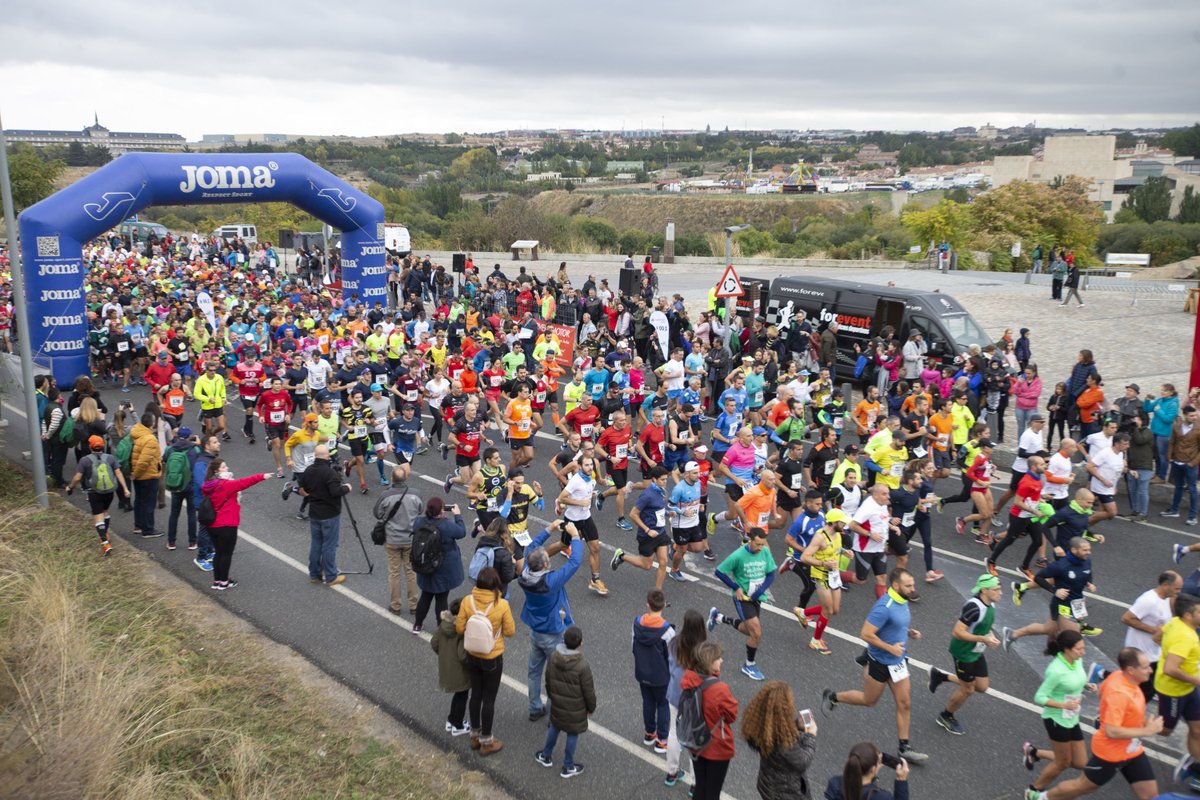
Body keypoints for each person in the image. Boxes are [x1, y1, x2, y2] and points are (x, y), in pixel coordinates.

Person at [821, 568, 929, 764]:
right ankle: (833, 697)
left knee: (904, 703)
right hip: (879, 662)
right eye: (909, 585)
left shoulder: (902, 600)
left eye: (913, 584)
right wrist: (890, 648)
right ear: (896, 585)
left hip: (898, 662)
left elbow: (895, 625)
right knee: (869, 700)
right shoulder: (884, 606)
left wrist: (908, 632)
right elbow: (865, 634)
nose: (913, 589)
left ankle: (904, 747)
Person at [1027, 648, 1161, 800]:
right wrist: (1147, 731)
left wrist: (1132, 720)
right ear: (1130, 670)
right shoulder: (1120, 693)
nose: (1150, 670)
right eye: (1145, 667)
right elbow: (1111, 731)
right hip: (1111, 754)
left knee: (1150, 796)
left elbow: (1101, 692)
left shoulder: (1118, 676)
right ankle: (1039, 797)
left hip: (1133, 750)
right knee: (1082, 786)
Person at [519, 520, 583, 722]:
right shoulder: (551, 582)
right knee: (557, 676)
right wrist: (575, 536)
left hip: (535, 631)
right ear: (545, 565)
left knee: (534, 671)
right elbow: (575, 562)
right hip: (554, 632)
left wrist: (549, 529)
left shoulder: (524, 574)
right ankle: (554, 712)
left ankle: (534, 707)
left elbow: (530, 548)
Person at [928, 573, 1003, 735]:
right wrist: (984, 638)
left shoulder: (991, 604)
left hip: (976, 650)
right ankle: (946, 716)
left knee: (981, 687)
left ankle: (940, 676)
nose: (1000, 592)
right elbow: (957, 632)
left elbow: (983, 626)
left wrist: (990, 636)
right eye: (996, 589)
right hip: (963, 653)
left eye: (1000, 589)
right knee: (967, 690)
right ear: (984, 590)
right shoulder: (974, 607)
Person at [1021, 630, 1091, 796]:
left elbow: (1077, 678)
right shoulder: (1056, 670)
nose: (1083, 652)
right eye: (1079, 649)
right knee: (1062, 762)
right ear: (1066, 649)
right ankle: (1033, 791)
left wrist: (1087, 686)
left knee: (1080, 762)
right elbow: (1039, 697)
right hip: (1056, 720)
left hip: (1071, 718)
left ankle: (1034, 752)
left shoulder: (1077, 660)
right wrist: (1063, 705)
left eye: (1083, 648)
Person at [456, 566, 516, 756]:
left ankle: (474, 734)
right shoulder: (501, 605)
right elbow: (510, 631)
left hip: (472, 655)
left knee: (476, 695)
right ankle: (487, 741)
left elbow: (459, 628)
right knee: (489, 699)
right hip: (492, 656)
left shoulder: (468, 601)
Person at [708, 526, 777, 681]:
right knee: (756, 633)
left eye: (763, 544)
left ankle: (718, 617)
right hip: (743, 599)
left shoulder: (765, 551)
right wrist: (736, 587)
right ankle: (749, 665)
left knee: (749, 630)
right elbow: (719, 572)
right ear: (749, 540)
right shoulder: (738, 555)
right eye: (757, 544)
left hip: (757, 598)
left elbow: (772, 574)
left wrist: (762, 591)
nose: (760, 548)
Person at [200, 458, 273, 591]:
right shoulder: (225, 484)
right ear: (217, 471)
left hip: (212, 525)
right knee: (227, 554)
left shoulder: (208, 485)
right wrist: (262, 476)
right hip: (227, 524)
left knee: (218, 553)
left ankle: (217, 581)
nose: (227, 468)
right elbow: (244, 482)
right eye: (223, 467)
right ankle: (224, 581)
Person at [1153, 592, 1200, 791]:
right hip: (1173, 692)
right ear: (1189, 615)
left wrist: (1167, 652)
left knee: (1198, 729)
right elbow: (1170, 669)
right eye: (1199, 611)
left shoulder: (1176, 622)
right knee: (1165, 731)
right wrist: (1196, 679)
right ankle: (1123, 724)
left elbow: (1157, 637)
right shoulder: (1185, 636)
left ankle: (1195, 767)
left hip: (1189, 689)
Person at [680, 641, 739, 800]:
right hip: (717, 747)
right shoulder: (719, 689)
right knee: (712, 792)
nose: (722, 661)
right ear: (709, 662)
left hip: (696, 742)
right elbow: (732, 715)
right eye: (718, 658)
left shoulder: (688, 679)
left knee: (701, 786)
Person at [741, 680, 818, 800]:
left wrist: (796, 725)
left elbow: (778, 727)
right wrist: (811, 736)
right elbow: (802, 761)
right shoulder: (782, 741)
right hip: (786, 793)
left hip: (767, 783)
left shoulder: (760, 724)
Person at [537, 625, 595, 779]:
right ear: (580, 643)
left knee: (554, 727)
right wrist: (591, 708)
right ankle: (568, 765)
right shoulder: (582, 665)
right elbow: (588, 691)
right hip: (576, 708)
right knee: (572, 733)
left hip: (557, 703)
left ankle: (546, 755)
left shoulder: (554, 657)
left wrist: (552, 696)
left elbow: (548, 679)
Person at [1120, 570, 1180, 702]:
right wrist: (1152, 629)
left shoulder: (1166, 600)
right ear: (1165, 585)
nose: (1178, 592)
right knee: (1139, 694)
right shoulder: (1148, 600)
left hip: (1153, 655)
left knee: (1146, 691)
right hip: (1139, 655)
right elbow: (1126, 618)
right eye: (1176, 589)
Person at [298, 443, 352, 587]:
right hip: (329, 513)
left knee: (316, 543)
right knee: (329, 545)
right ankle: (331, 576)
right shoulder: (330, 473)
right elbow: (336, 492)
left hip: (315, 512)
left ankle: (314, 574)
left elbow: (303, 489)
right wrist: (346, 488)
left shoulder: (308, 470)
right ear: (326, 456)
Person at [65, 434, 129, 557]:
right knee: (105, 511)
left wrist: (70, 487)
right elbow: (118, 472)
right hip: (109, 492)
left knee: (98, 516)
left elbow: (78, 477)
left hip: (94, 492)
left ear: (90, 446)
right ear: (103, 446)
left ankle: (105, 544)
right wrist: (125, 489)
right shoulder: (110, 458)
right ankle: (105, 534)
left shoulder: (85, 460)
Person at [795, 508, 848, 655]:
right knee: (828, 610)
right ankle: (815, 640)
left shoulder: (838, 534)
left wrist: (844, 552)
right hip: (821, 575)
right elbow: (805, 557)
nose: (844, 525)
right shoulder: (820, 537)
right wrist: (824, 564)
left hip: (834, 575)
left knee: (835, 609)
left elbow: (835, 549)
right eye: (842, 523)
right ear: (834, 522)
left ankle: (803, 612)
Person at [373, 470, 425, 616]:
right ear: (406, 478)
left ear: (392, 479)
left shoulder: (385, 495)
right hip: (410, 539)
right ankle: (414, 605)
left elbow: (377, 513)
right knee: (411, 571)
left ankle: (395, 605)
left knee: (394, 572)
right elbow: (421, 510)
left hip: (392, 539)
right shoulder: (415, 494)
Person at [612, 465, 671, 591]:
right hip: (647, 535)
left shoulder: (662, 491)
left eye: (666, 479)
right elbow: (633, 514)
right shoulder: (647, 495)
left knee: (663, 562)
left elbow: (658, 509)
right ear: (654, 479)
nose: (665, 482)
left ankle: (657, 593)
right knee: (647, 565)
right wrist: (648, 530)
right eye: (662, 480)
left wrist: (668, 513)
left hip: (660, 532)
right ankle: (622, 556)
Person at [412, 496, 467, 634]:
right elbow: (461, 532)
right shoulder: (446, 525)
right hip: (442, 568)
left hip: (424, 565)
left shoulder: (419, 522)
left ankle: (417, 625)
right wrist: (458, 515)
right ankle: (441, 629)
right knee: (441, 598)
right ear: (442, 510)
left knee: (425, 595)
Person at [665, 609, 706, 788]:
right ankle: (695, 783)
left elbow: (669, 664)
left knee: (673, 733)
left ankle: (672, 773)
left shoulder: (674, 643)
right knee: (694, 740)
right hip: (694, 698)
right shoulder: (703, 649)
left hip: (675, 693)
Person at [632, 588, 674, 753]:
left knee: (647, 702)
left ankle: (649, 733)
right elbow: (672, 657)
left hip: (642, 672)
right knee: (663, 705)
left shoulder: (636, 624)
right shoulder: (667, 631)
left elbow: (633, 646)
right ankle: (662, 740)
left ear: (647, 605)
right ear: (663, 605)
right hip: (661, 676)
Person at [430, 597, 471, 737]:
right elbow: (462, 655)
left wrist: (443, 656)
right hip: (460, 670)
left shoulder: (443, 625)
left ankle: (451, 720)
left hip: (446, 667)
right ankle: (457, 725)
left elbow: (434, 643)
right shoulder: (461, 630)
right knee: (462, 696)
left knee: (457, 695)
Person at [164, 426, 200, 550]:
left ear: (177, 436)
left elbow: (164, 461)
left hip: (176, 485)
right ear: (190, 436)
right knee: (191, 513)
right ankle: (192, 542)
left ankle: (171, 542)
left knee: (174, 514)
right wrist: (198, 444)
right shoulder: (194, 450)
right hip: (190, 486)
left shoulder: (170, 449)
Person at [1163, 404, 1200, 525]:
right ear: (1185, 415)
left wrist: (1193, 463)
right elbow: (1172, 442)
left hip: (1190, 464)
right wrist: (1170, 457)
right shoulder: (1176, 426)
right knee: (1178, 487)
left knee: (1193, 489)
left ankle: (1192, 516)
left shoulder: (1199, 428)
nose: (1194, 417)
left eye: (1195, 415)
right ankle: (1174, 510)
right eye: (1191, 415)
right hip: (1177, 462)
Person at [130, 410, 164, 538]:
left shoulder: (136, 434)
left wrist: (134, 473)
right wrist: (137, 473)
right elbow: (145, 460)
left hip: (137, 475)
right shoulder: (150, 439)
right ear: (152, 424)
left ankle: (138, 525)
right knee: (149, 502)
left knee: (139, 500)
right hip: (148, 475)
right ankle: (148, 529)